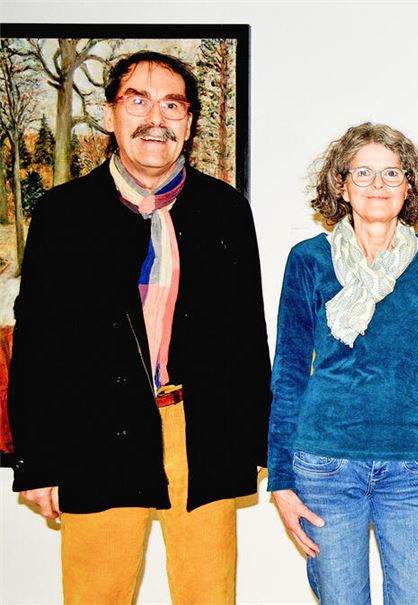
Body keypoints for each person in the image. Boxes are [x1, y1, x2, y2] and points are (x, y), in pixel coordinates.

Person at [1, 51, 271, 604]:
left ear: (190, 122)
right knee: (97, 595)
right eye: (138, 100)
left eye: (172, 104)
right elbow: (36, 347)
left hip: (200, 434)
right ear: (109, 116)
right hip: (95, 433)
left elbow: (247, 334)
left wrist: (256, 438)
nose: (156, 118)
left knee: (208, 595)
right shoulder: (62, 214)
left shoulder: (226, 211)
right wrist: (36, 460)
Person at [267, 123, 418, 604]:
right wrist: (282, 481)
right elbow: (288, 371)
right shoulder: (308, 259)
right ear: (342, 185)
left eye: (392, 173)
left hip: (415, 467)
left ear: (410, 185)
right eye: (364, 172)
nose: (378, 185)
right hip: (325, 464)